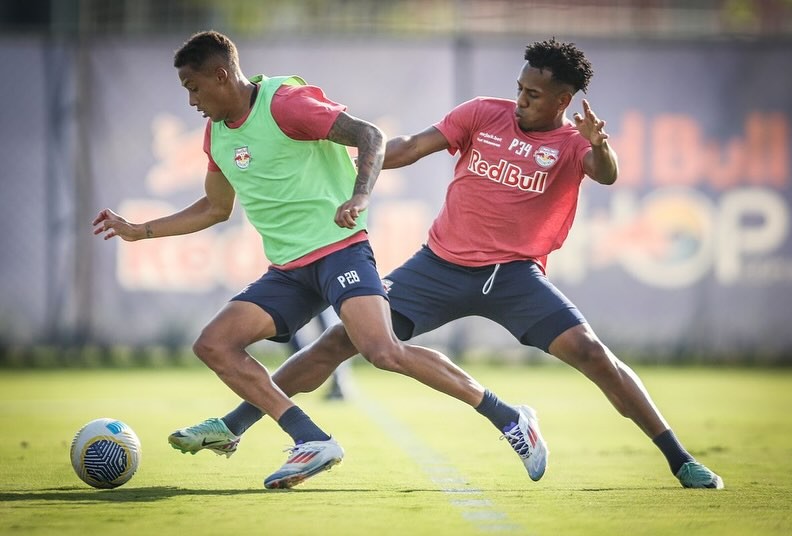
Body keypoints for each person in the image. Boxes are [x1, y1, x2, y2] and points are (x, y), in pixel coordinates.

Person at [195, 38, 724, 489]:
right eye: (519, 88)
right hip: (438, 268)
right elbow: (407, 147)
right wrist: (335, 151)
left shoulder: (570, 143)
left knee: (592, 353)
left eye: (534, 95)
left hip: (514, 276)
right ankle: (237, 425)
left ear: (564, 100)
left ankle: (681, 459)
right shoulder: (481, 113)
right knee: (340, 343)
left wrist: (601, 146)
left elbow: (604, 173)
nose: (520, 100)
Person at [92, 30, 547, 489]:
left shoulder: (285, 103)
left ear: (221, 75)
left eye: (193, 87)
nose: (191, 100)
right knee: (214, 344)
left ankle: (509, 418)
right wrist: (142, 230)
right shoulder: (216, 135)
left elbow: (370, 135)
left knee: (382, 350)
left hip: (339, 252)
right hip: (288, 272)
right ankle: (310, 439)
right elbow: (215, 208)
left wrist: (360, 195)